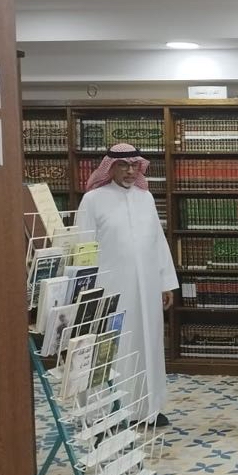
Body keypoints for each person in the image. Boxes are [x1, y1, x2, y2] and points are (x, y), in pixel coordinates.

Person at [75, 143, 178, 427]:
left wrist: (165, 283)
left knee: (148, 346)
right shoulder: (93, 200)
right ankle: (105, 413)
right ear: (110, 168)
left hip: (147, 290)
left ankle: (147, 409)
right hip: (109, 291)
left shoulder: (146, 198)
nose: (131, 171)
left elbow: (157, 242)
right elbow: (83, 247)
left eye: (135, 165)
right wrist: (85, 291)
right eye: (123, 165)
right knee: (111, 349)